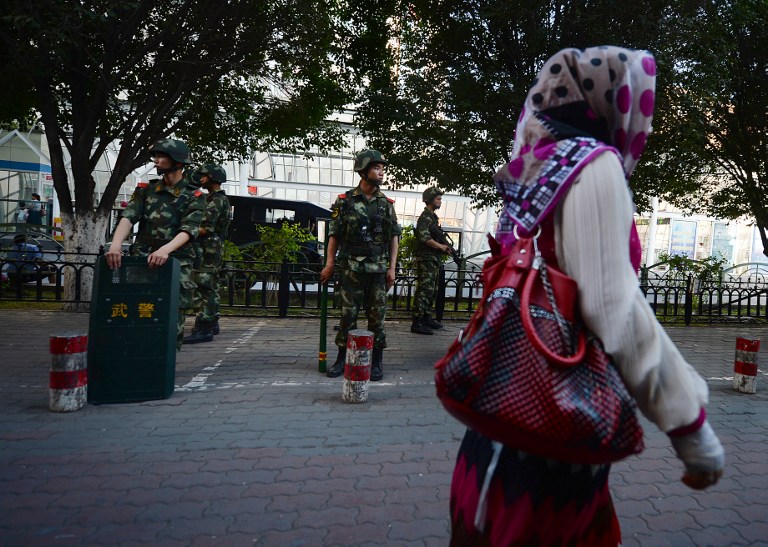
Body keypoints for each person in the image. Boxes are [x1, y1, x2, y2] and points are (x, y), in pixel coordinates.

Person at [449, 46, 725, 545]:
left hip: (502, 420)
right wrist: (691, 425)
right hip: (552, 440)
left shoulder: (537, 162)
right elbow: (613, 309)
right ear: (613, 103)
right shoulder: (592, 165)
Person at [105, 138, 205, 351]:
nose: (156, 161)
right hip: (143, 257)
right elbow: (128, 216)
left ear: (177, 162)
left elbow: (189, 229)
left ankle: (166, 364)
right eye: (156, 156)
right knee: (137, 308)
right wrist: (115, 246)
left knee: (172, 315)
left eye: (161, 157)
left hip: (176, 259)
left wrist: (165, 250)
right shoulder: (146, 189)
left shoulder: (194, 195)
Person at [319, 150, 401, 381]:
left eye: (382, 168)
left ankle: (376, 362)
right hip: (351, 268)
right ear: (363, 172)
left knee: (377, 318)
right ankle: (341, 359)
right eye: (377, 168)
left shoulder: (386, 204)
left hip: (378, 269)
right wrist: (329, 264)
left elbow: (394, 238)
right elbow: (334, 235)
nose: (381, 172)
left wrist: (392, 268)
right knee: (348, 316)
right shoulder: (345, 201)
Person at [183, 163, 231, 344]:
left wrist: (185, 234)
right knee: (209, 283)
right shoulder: (214, 198)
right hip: (211, 246)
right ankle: (211, 322)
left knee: (205, 284)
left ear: (212, 177)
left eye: (204, 175)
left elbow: (206, 228)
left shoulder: (216, 200)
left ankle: (204, 326)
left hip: (209, 247)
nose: (200, 178)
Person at [411, 187, 451, 335]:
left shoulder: (432, 217)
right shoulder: (425, 217)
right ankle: (417, 321)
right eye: (438, 199)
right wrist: (441, 246)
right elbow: (424, 238)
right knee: (424, 289)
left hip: (433, 259)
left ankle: (426, 316)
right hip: (426, 259)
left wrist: (444, 247)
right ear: (429, 200)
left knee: (432, 290)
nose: (440, 201)